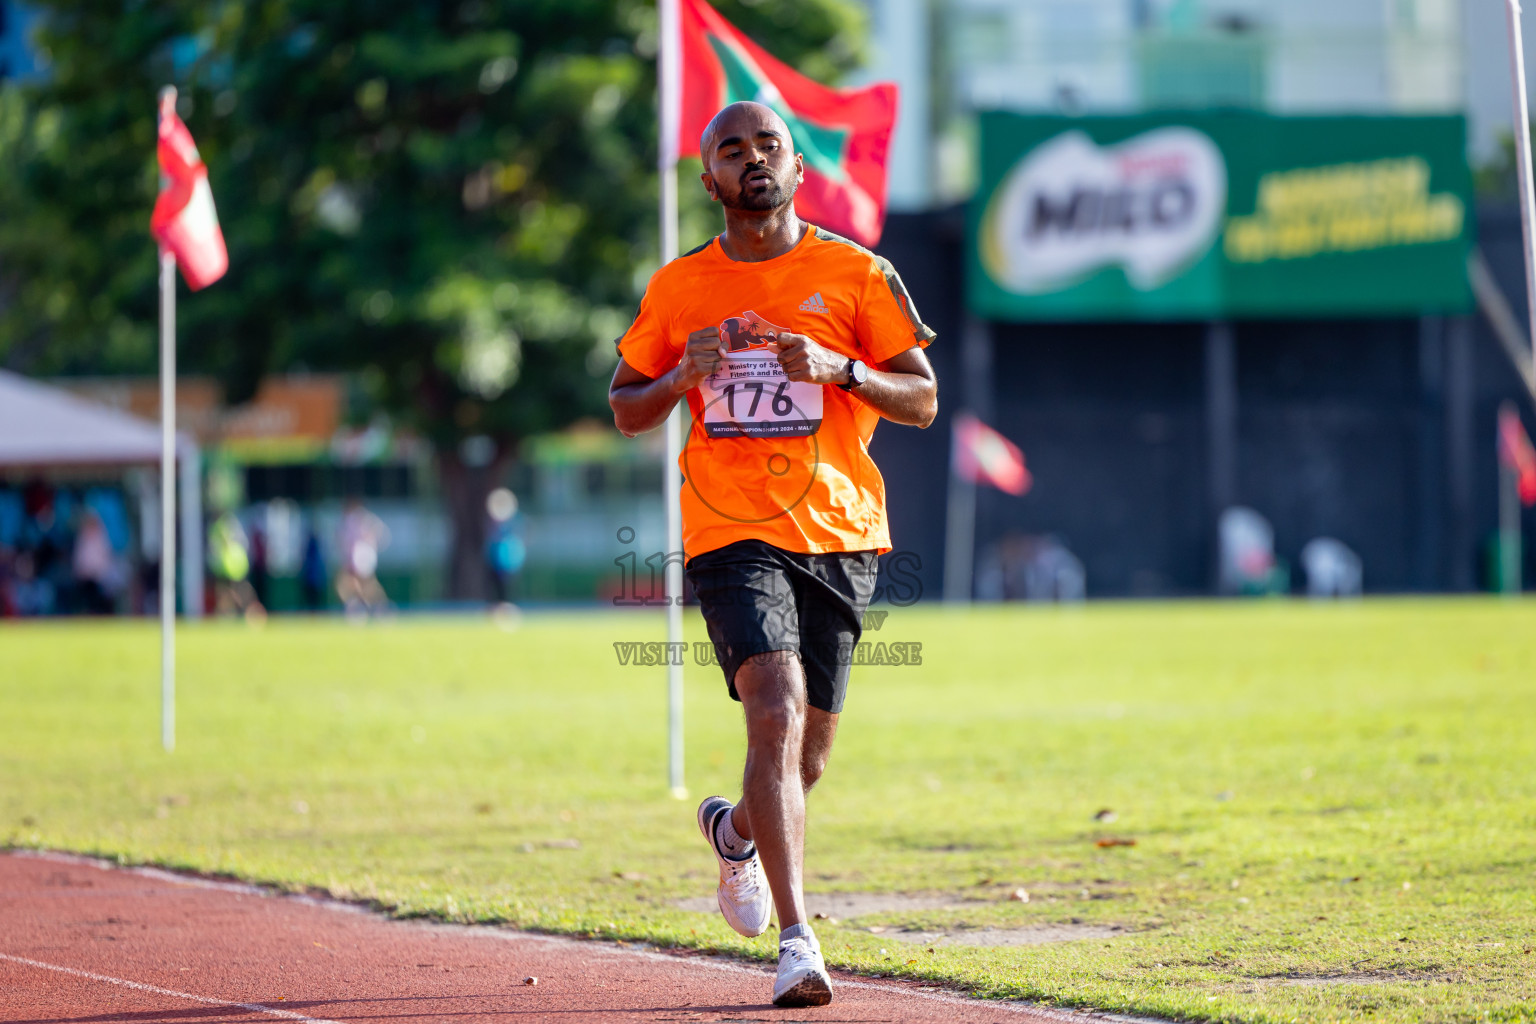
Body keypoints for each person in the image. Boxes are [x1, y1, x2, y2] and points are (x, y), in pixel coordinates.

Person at [608, 101, 938, 1008]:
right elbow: (626, 406)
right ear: (709, 178)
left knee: (807, 759)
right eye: (732, 150)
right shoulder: (680, 290)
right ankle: (800, 943)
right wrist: (683, 374)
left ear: (798, 170)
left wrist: (840, 371)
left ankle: (736, 834)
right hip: (728, 527)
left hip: (838, 531)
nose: (752, 160)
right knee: (775, 708)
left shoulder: (859, 273)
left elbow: (922, 400)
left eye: (769, 148)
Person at [336, 498, 390, 618]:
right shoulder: (352, 520)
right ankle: (363, 607)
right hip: (356, 557)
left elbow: (381, 533)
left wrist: (372, 545)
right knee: (359, 585)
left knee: (361, 584)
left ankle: (365, 608)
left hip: (361, 557)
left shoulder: (361, 519)